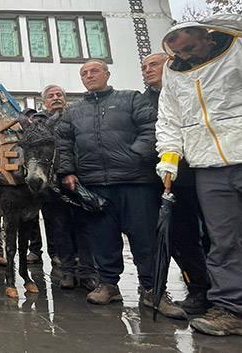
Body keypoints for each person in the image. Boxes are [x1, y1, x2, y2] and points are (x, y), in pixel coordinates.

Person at [55, 59, 183, 318]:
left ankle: (153, 290)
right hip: (94, 186)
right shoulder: (73, 112)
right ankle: (109, 284)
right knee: (102, 238)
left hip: (135, 182)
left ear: (106, 74)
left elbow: (151, 129)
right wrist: (67, 171)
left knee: (145, 238)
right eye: (84, 73)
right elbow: (64, 143)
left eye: (94, 71)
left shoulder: (131, 99)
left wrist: (134, 155)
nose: (89, 76)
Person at [157, 15, 242, 336]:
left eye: (190, 48)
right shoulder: (174, 72)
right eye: (178, 52)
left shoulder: (238, 50)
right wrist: (168, 161)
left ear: (208, 37)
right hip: (206, 164)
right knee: (224, 241)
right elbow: (169, 118)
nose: (185, 56)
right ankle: (234, 309)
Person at [142, 52, 211, 315]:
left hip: (204, 172)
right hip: (169, 181)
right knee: (182, 238)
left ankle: (226, 290)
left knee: (216, 236)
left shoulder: (190, 90)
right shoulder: (143, 101)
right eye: (144, 67)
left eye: (154, 64)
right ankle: (198, 290)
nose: (148, 70)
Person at [37, 85, 97, 291]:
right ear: (44, 102)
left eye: (59, 95)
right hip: (54, 185)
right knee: (59, 228)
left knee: (84, 227)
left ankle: (88, 271)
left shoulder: (77, 116)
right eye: (51, 96)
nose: (55, 98)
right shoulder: (40, 123)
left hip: (81, 180)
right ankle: (67, 270)